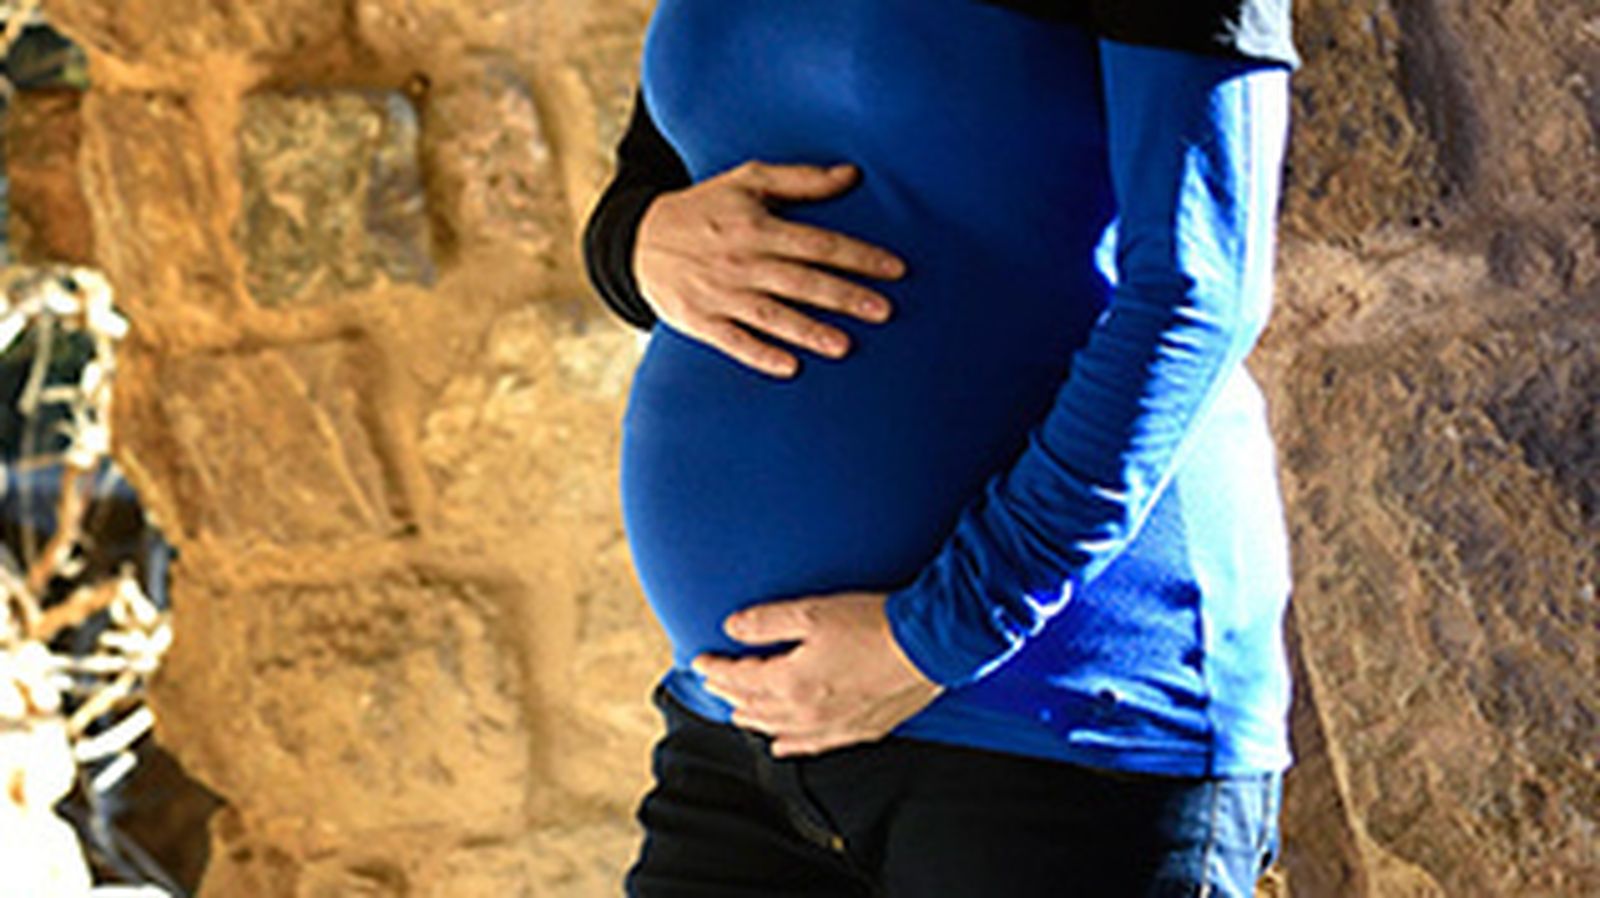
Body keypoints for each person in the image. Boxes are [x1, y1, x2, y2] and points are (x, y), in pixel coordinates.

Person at [582, 1, 1299, 895]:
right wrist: (636, 245)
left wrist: (937, 636)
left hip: (1056, 732)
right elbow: (659, 188)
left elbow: (1196, 297)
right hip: (742, 730)